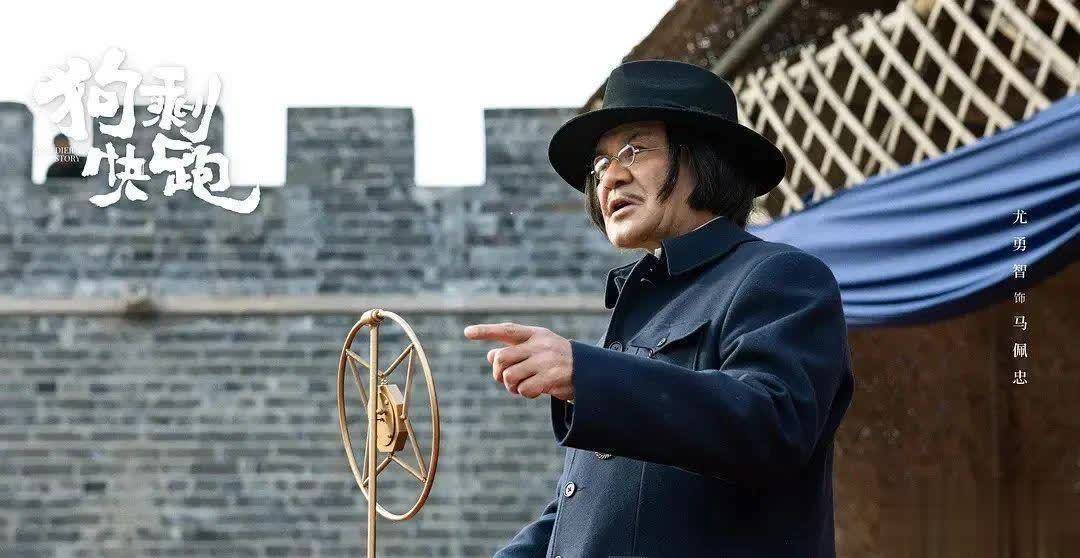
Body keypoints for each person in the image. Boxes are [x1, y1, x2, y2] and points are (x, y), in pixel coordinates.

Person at [463, 59, 854, 558]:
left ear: (704, 158)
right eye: (600, 165)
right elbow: (586, 515)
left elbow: (772, 425)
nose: (610, 177)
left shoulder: (781, 276)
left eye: (634, 149)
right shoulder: (638, 312)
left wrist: (587, 374)